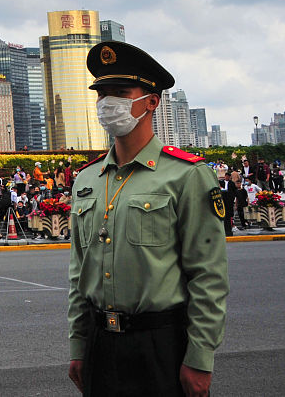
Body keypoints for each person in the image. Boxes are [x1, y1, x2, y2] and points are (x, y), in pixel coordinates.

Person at [69, 41, 227, 397]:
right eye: (102, 94)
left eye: (121, 93)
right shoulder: (87, 179)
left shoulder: (187, 175)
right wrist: (78, 346)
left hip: (159, 343)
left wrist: (200, 358)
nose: (109, 104)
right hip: (99, 341)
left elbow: (208, 276)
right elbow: (79, 273)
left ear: (151, 101)